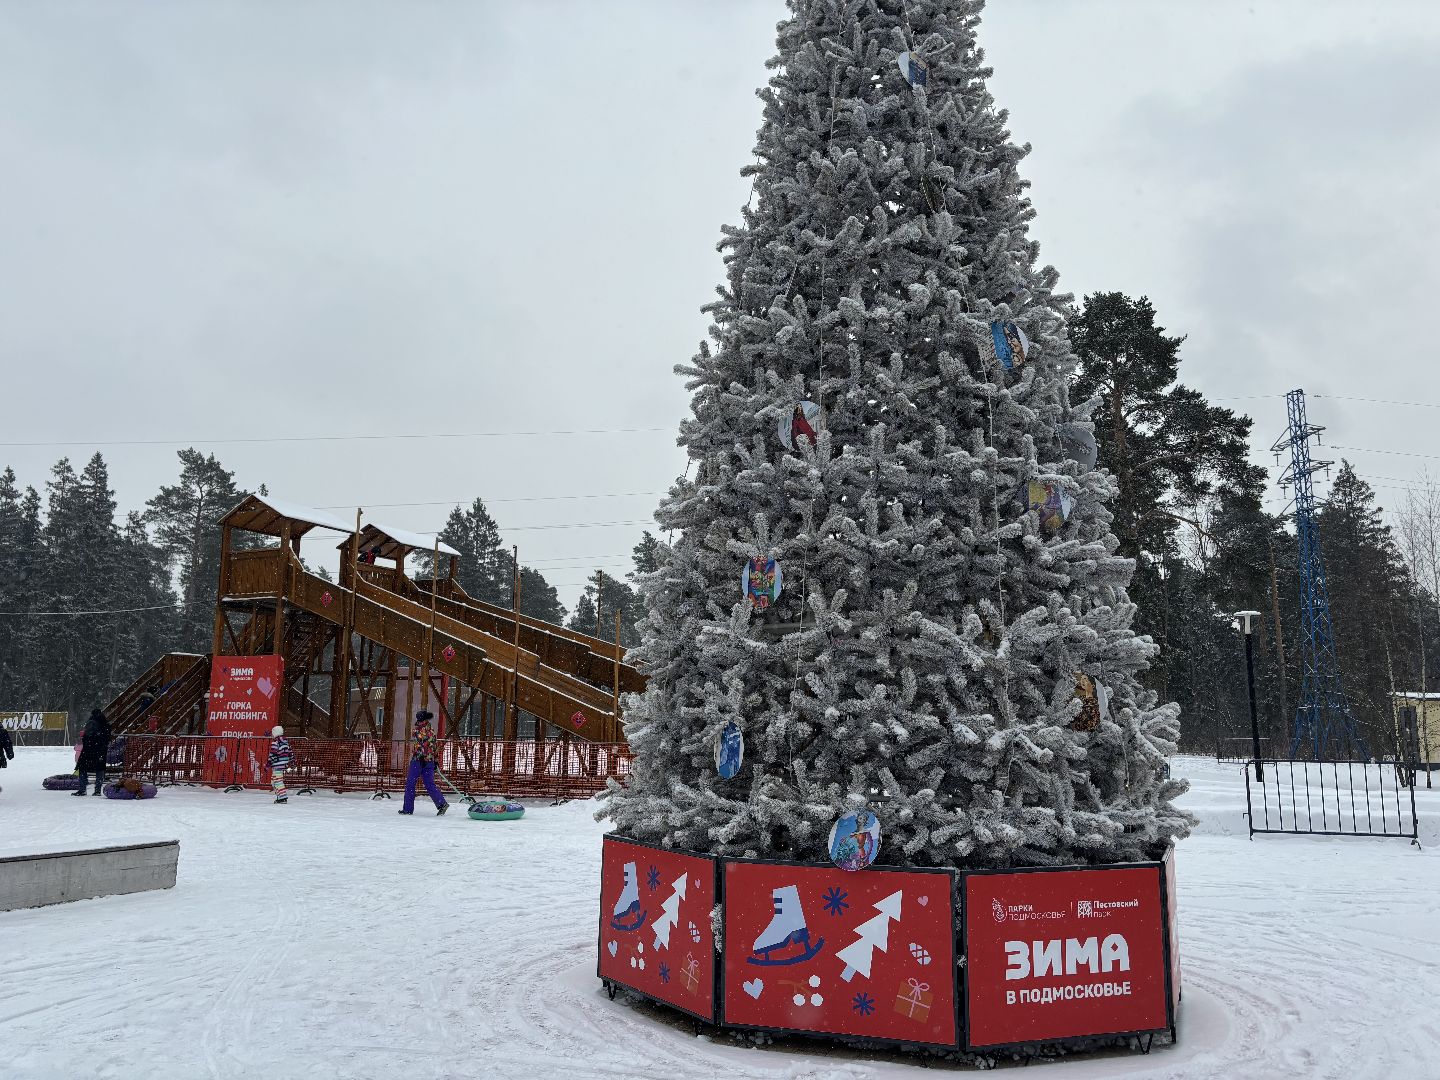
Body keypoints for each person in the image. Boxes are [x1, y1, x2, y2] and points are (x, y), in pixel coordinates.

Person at [399, 712, 448, 816]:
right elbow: (433, 746)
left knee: (410, 783)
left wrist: (422, 756)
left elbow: (421, 746)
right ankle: (441, 803)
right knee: (429, 784)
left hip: (418, 760)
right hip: (429, 760)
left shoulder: (419, 729)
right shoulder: (431, 730)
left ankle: (407, 809)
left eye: (420, 719)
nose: (419, 721)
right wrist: (434, 760)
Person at [75, 709, 111, 796]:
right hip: (101, 750)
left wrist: (87, 742)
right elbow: (107, 737)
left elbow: (86, 736)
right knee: (99, 770)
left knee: (83, 768)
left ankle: (82, 789)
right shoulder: (105, 723)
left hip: (88, 749)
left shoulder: (91, 722)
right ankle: (97, 790)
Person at [267, 724, 293, 804]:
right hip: (282, 765)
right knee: (274, 781)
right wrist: (292, 761)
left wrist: (268, 765)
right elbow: (290, 753)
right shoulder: (286, 743)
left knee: (278, 782)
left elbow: (272, 755)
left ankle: (282, 798)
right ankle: (280, 796)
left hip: (277, 765)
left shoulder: (275, 743)